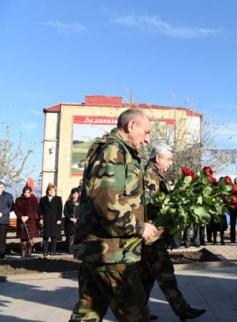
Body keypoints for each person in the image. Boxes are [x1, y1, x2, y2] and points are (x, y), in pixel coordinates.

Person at [70, 109, 158, 322]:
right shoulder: (114, 151)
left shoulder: (120, 150)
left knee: (87, 315)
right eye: (145, 132)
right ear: (131, 126)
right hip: (110, 252)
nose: (147, 140)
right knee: (136, 315)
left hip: (101, 249)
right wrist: (139, 228)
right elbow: (107, 202)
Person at [140, 143, 206, 321]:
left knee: (147, 276)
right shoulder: (150, 176)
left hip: (153, 236)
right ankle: (182, 310)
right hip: (152, 236)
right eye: (168, 159)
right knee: (165, 273)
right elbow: (149, 207)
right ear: (157, 158)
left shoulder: (155, 175)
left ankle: (139, 314)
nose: (170, 163)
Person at [38, 183, 63, 257]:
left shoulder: (58, 199)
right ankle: (45, 252)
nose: (53, 192)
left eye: (54, 190)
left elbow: (60, 210)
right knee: (45, 237)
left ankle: (53, 252)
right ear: (48, 191)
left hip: (55, 220)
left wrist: (59, 219)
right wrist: (41, 218)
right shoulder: (43, 199)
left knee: (54, 237)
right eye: (51, 190)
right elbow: (40, 210)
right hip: (46, 220)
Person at [14, 185, 39, 257]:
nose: (26, 194)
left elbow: (35, 210)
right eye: (25, 192)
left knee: (30, 238)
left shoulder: (34, 200)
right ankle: (23, 254)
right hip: (21, 222)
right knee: (23, 238)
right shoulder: (18, 200)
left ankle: (29, 253)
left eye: (28, 192)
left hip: (31, 222)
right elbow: (16, 209)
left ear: (30, 192)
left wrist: (28, 216)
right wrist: (21, 216)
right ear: (23, 192)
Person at [0, 182, 14, 259]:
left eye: (1, 187)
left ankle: (2, 255)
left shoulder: (8, 196)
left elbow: (11, 207)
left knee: (2, 239)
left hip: (3, 221)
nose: (0, 188)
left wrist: (2, 213)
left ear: (4, 187)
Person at [64, 187, 80, 254]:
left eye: (76, 193)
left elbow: (82, 212)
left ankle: (77, 250)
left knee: (78, 237)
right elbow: (65, 212)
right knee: (71, 237)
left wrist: (77, 219)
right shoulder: (68, 203)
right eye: (73, 193)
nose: (74, 195)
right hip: (70, 223)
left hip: (78, 222)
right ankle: (71, 250)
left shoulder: (80, 203)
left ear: (78, 194)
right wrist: (71, 218)